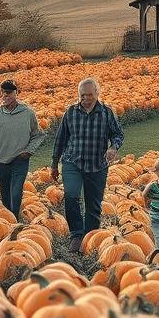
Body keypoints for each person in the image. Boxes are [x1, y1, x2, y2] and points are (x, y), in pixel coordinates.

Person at [51, 77, 124, 252]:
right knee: (71, 194)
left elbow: (118, 134)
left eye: (90, 95)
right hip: (72, 162)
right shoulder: (71, 112)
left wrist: (113, 147)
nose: (86, 99)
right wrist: (54, 164)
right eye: (82, 95)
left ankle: (90, 237)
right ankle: (76, 234)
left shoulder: (107, 113)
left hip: (97, 164)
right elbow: (60, 139)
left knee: (94, 204)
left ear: (97, 93)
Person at [0, 79, 45, 220]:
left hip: (19, 159)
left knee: (16, 192)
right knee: (5, 193)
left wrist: (29, 150)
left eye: (9, 92)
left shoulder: (27, 113)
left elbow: (38, 135)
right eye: (3, 92)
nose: (5, 95)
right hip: (0, 161)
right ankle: (9, 219)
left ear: (16, 93)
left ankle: (14, 220)